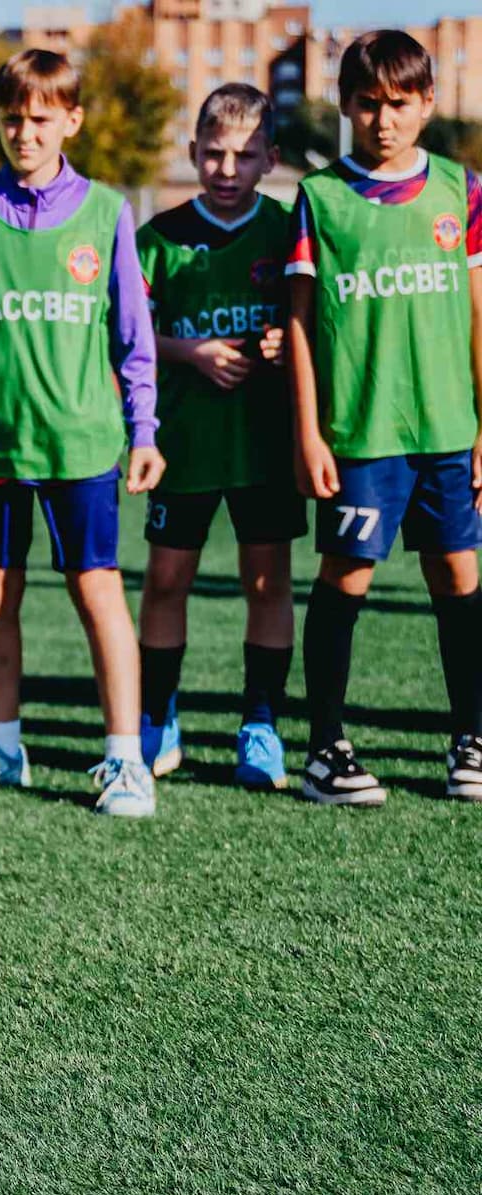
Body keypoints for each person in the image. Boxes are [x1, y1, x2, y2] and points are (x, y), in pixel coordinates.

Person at [0, 48, 164, 818]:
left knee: (97, 590)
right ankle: (1, 746)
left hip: (80, 443)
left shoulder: (107, 212)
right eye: (11, 119)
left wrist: (144, 430)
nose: (24, 133)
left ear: (71, 121)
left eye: (40, 119)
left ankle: (126, 760)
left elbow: (134, 338)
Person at [287, 29, 482, 805]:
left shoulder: (461, 191)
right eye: (368, 103)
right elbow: (300, 324)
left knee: (458, 576)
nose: (384, 119)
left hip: (447, 428)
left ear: (428, 103)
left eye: (400, 103)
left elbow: (479, 316)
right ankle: (325, 749)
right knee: (348, 576)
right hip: (361, 434)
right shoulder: (321, 197)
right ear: (344, 105)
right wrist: (308, 432)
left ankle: (470, 737)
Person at [134, 83, 301, 791]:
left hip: (265, 443)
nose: (227, 170)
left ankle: (260, 725)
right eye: (213, 154)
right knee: (167, 580)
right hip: (184, 443)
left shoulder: (289, 230)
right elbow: (126, 336)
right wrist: (190, 352)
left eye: (244, 155)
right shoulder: (159, 238)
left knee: (267, 580)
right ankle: (157, 717)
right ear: (192, 151)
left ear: (270, 159)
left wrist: (285, 343)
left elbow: (317, 323)